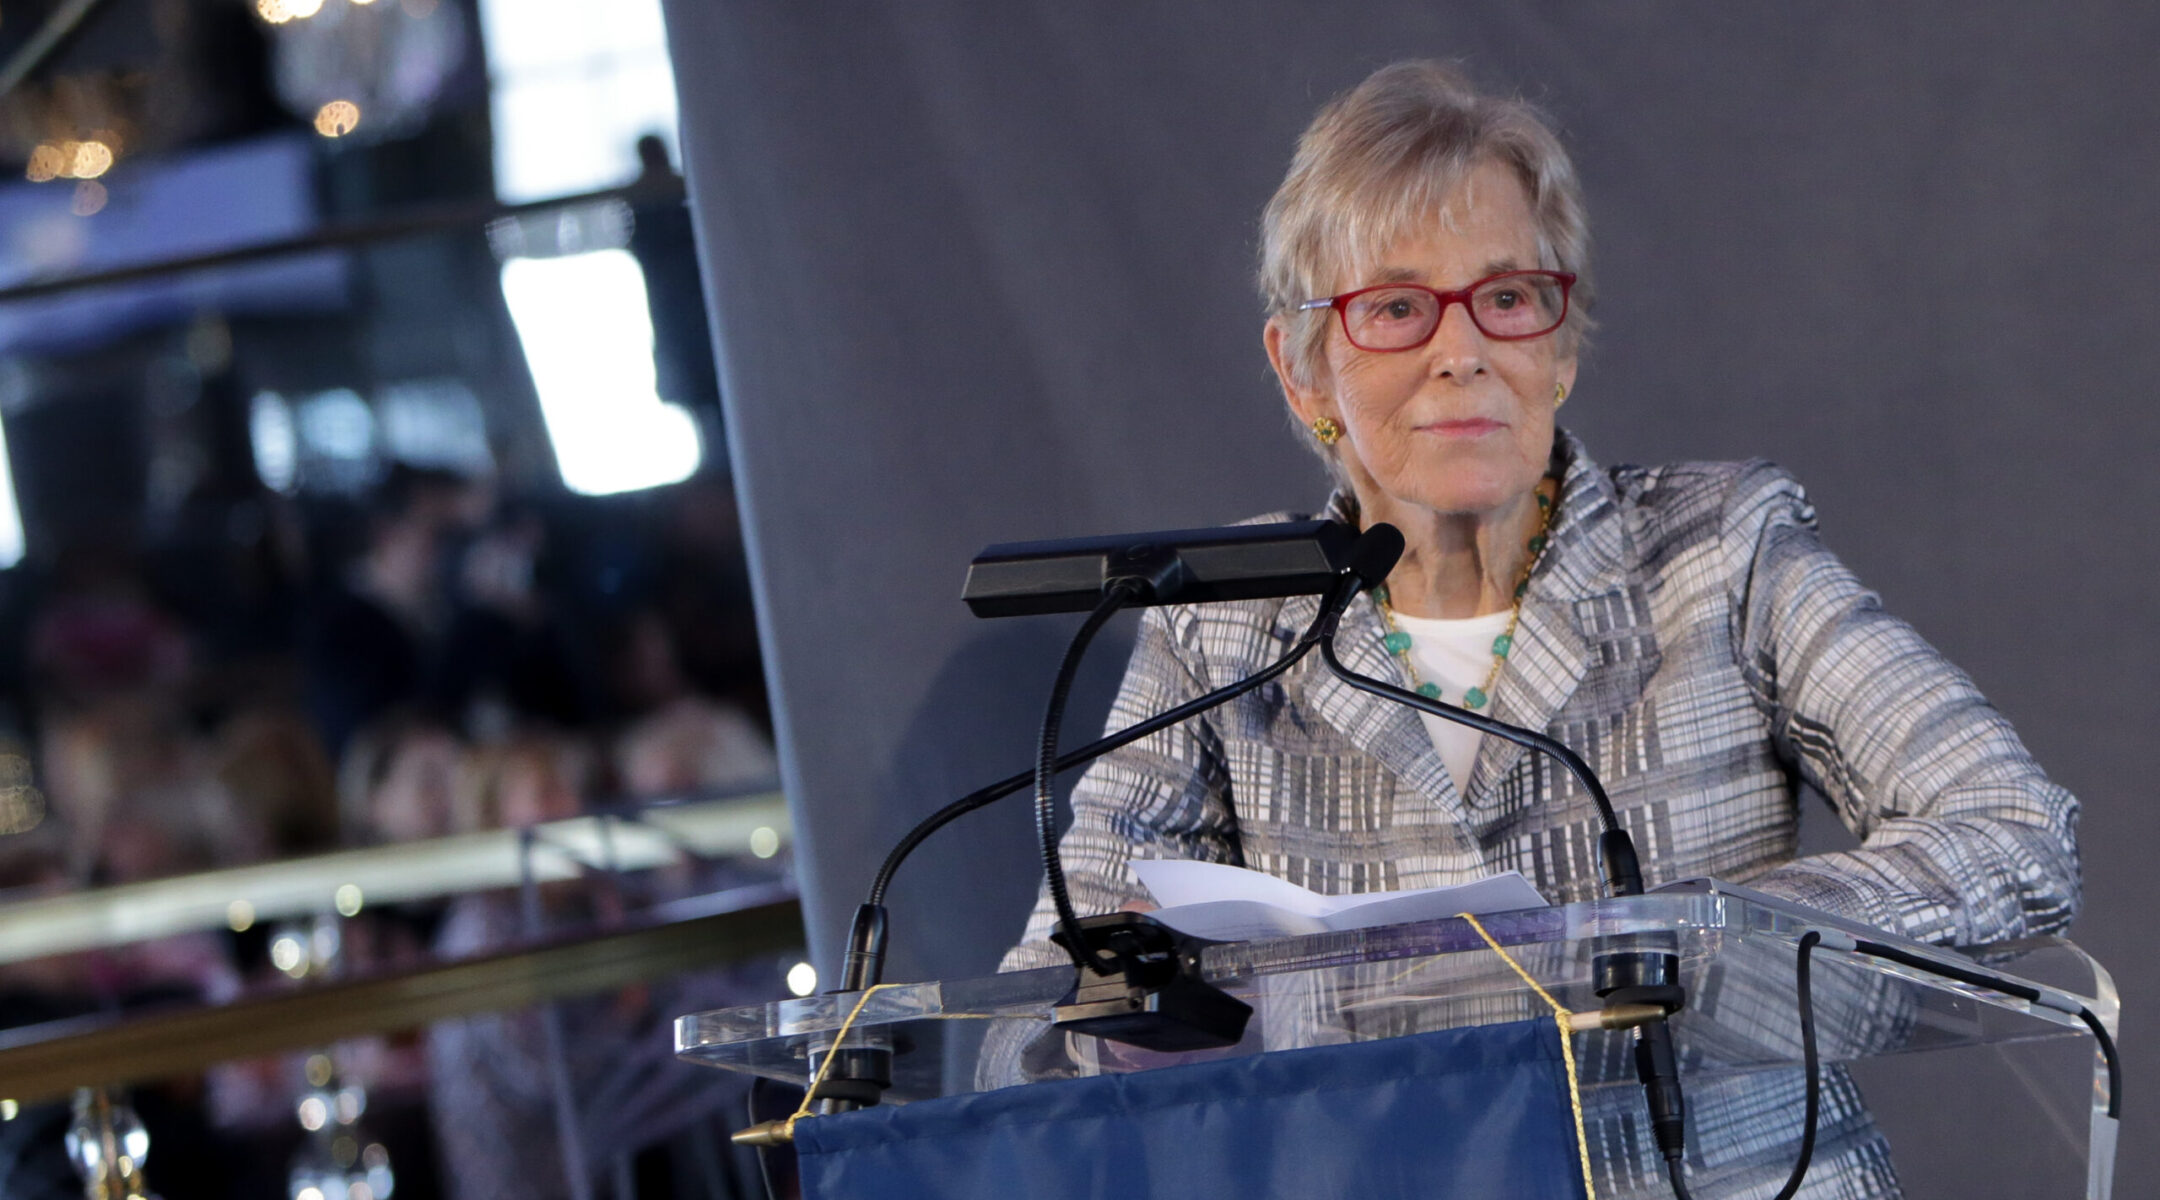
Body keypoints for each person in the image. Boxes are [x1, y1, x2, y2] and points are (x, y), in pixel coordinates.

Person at [997, 61, 2078, 1198]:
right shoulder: (1224, 618)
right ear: (1304, 370)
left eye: (1507, 297)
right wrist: (1146, 1012)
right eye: (1397, 307)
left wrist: (1715, 938)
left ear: (1559, 347)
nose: (1461, 350)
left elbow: (2013, 829)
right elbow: (1042, 999)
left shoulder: (1720, 552)